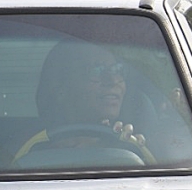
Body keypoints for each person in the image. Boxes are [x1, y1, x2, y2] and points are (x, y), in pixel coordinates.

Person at [14, 39, 155, 164]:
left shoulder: (127, 145)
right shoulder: (29, 150)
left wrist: (129, 148)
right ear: (60, 89)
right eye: (96, 71)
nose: (112, 81)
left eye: (117, 70)